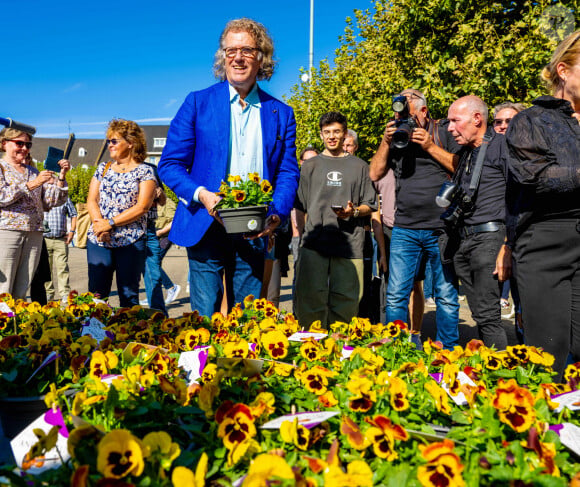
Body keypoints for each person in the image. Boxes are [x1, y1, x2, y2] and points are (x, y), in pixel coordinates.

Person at [158, 18, 299, 317]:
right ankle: (203, 363)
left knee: (246, 317)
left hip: (255, 226)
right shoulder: (198, 103)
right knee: (205, 318)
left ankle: (238, 364)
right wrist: (201, 194)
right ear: (222, 56)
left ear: (261, 57)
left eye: (247, 50)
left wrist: (277, 212)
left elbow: (287, 172)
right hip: (204, 223)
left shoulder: (282, 113)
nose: (238, 57)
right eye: (230, 50)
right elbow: (169, 165)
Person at [506, 30, 580, 379]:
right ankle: (543, 429)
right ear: (564, 70)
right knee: (548, 356)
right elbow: (535, 177)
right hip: (547, 241)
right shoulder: (531, 121)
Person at [369, 89, 460, 349]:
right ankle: (396, 349)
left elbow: (460, 167)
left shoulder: (443, 131)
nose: (403, 120)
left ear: (423, 111)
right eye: (399, 114)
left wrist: (429, 145)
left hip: (441, 227)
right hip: (404, 228)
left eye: (408, 113)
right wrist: (386, 142)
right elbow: (374, 174)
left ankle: (448, 352)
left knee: (445, 295)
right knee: (396, 295)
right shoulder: (397, 137)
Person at [294, 112, 377, 328]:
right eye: (327, 132)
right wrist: (301, 239)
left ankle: (339, 351)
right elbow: (300, 206)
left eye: (337, 132)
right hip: (314, 243)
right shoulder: (309, 166)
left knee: (347, 304)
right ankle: (311, 349)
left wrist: (354, 212)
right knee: (310, 303)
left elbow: (371, 204)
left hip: (350, 244)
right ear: (321, 134)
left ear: (344, 133)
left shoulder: (360, 166)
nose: (332, 136)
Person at [446, 95, 509, 350]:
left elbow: (519, 198)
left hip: (490, 239)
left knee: (489, 318)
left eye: (455, 120)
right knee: (480, 316)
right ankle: (489, 374)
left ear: (477, 119)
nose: (450, 128)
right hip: (466, 240)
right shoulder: (466, 153)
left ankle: (503, 381)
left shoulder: (502, 146)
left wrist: (508, 245)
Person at [86, 120, 156, 307]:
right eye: (109, 141)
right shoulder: (103, 168)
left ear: (131, 142)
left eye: (114, 141)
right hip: (99, 238)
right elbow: (91, 200)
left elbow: (142, 207)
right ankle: (94, 335)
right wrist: (99, 224)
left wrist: (110, 223)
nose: (110, 145)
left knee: (129, 295)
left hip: (130, 240)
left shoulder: (145, 171)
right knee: (96, 296)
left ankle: (128, 334)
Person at [0, 128, 69, 299]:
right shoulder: (2, 167)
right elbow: (2, 197)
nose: (24, 148)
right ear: (4, 144)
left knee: (23, 287)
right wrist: (32, 184)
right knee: (4, 286)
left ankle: (18, 323)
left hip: (34, 233)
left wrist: (61, 177)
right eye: (19, 143)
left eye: (28, 144)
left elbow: (51, 202)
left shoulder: (33, 171)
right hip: (8, 231)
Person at [492, 102, 525, 333]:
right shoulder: (485, 157)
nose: (503, 126)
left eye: (510, 121)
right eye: (498, 122)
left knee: (526, 303)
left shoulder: (530, 158)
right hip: (494, 237)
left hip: (523, 239)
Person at [43, 197, 77, 301]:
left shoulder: (65, 198)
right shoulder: (41, 197)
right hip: (44, 239)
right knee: (45, 269)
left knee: (62, 267)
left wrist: (72, 231)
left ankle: (65, 293)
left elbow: (74, 214)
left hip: (61, 240)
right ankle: (48, 293)